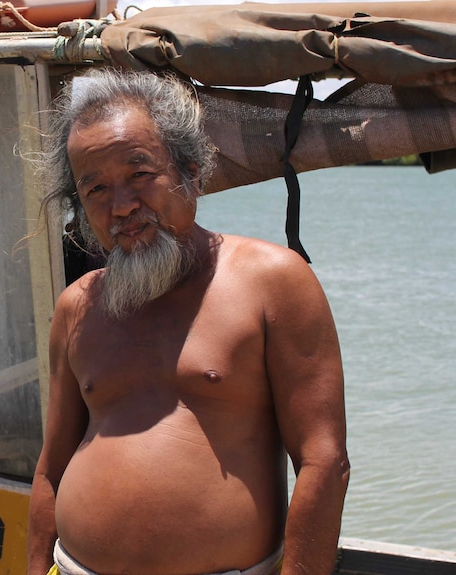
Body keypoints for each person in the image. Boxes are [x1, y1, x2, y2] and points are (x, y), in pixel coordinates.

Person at [27, 68, 350, 575]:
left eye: (140, 174)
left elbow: (323, 461)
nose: (124, 205)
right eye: (96, 190)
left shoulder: (273, 281)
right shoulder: (77, 306)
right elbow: (52, 468)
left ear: (191, 172)